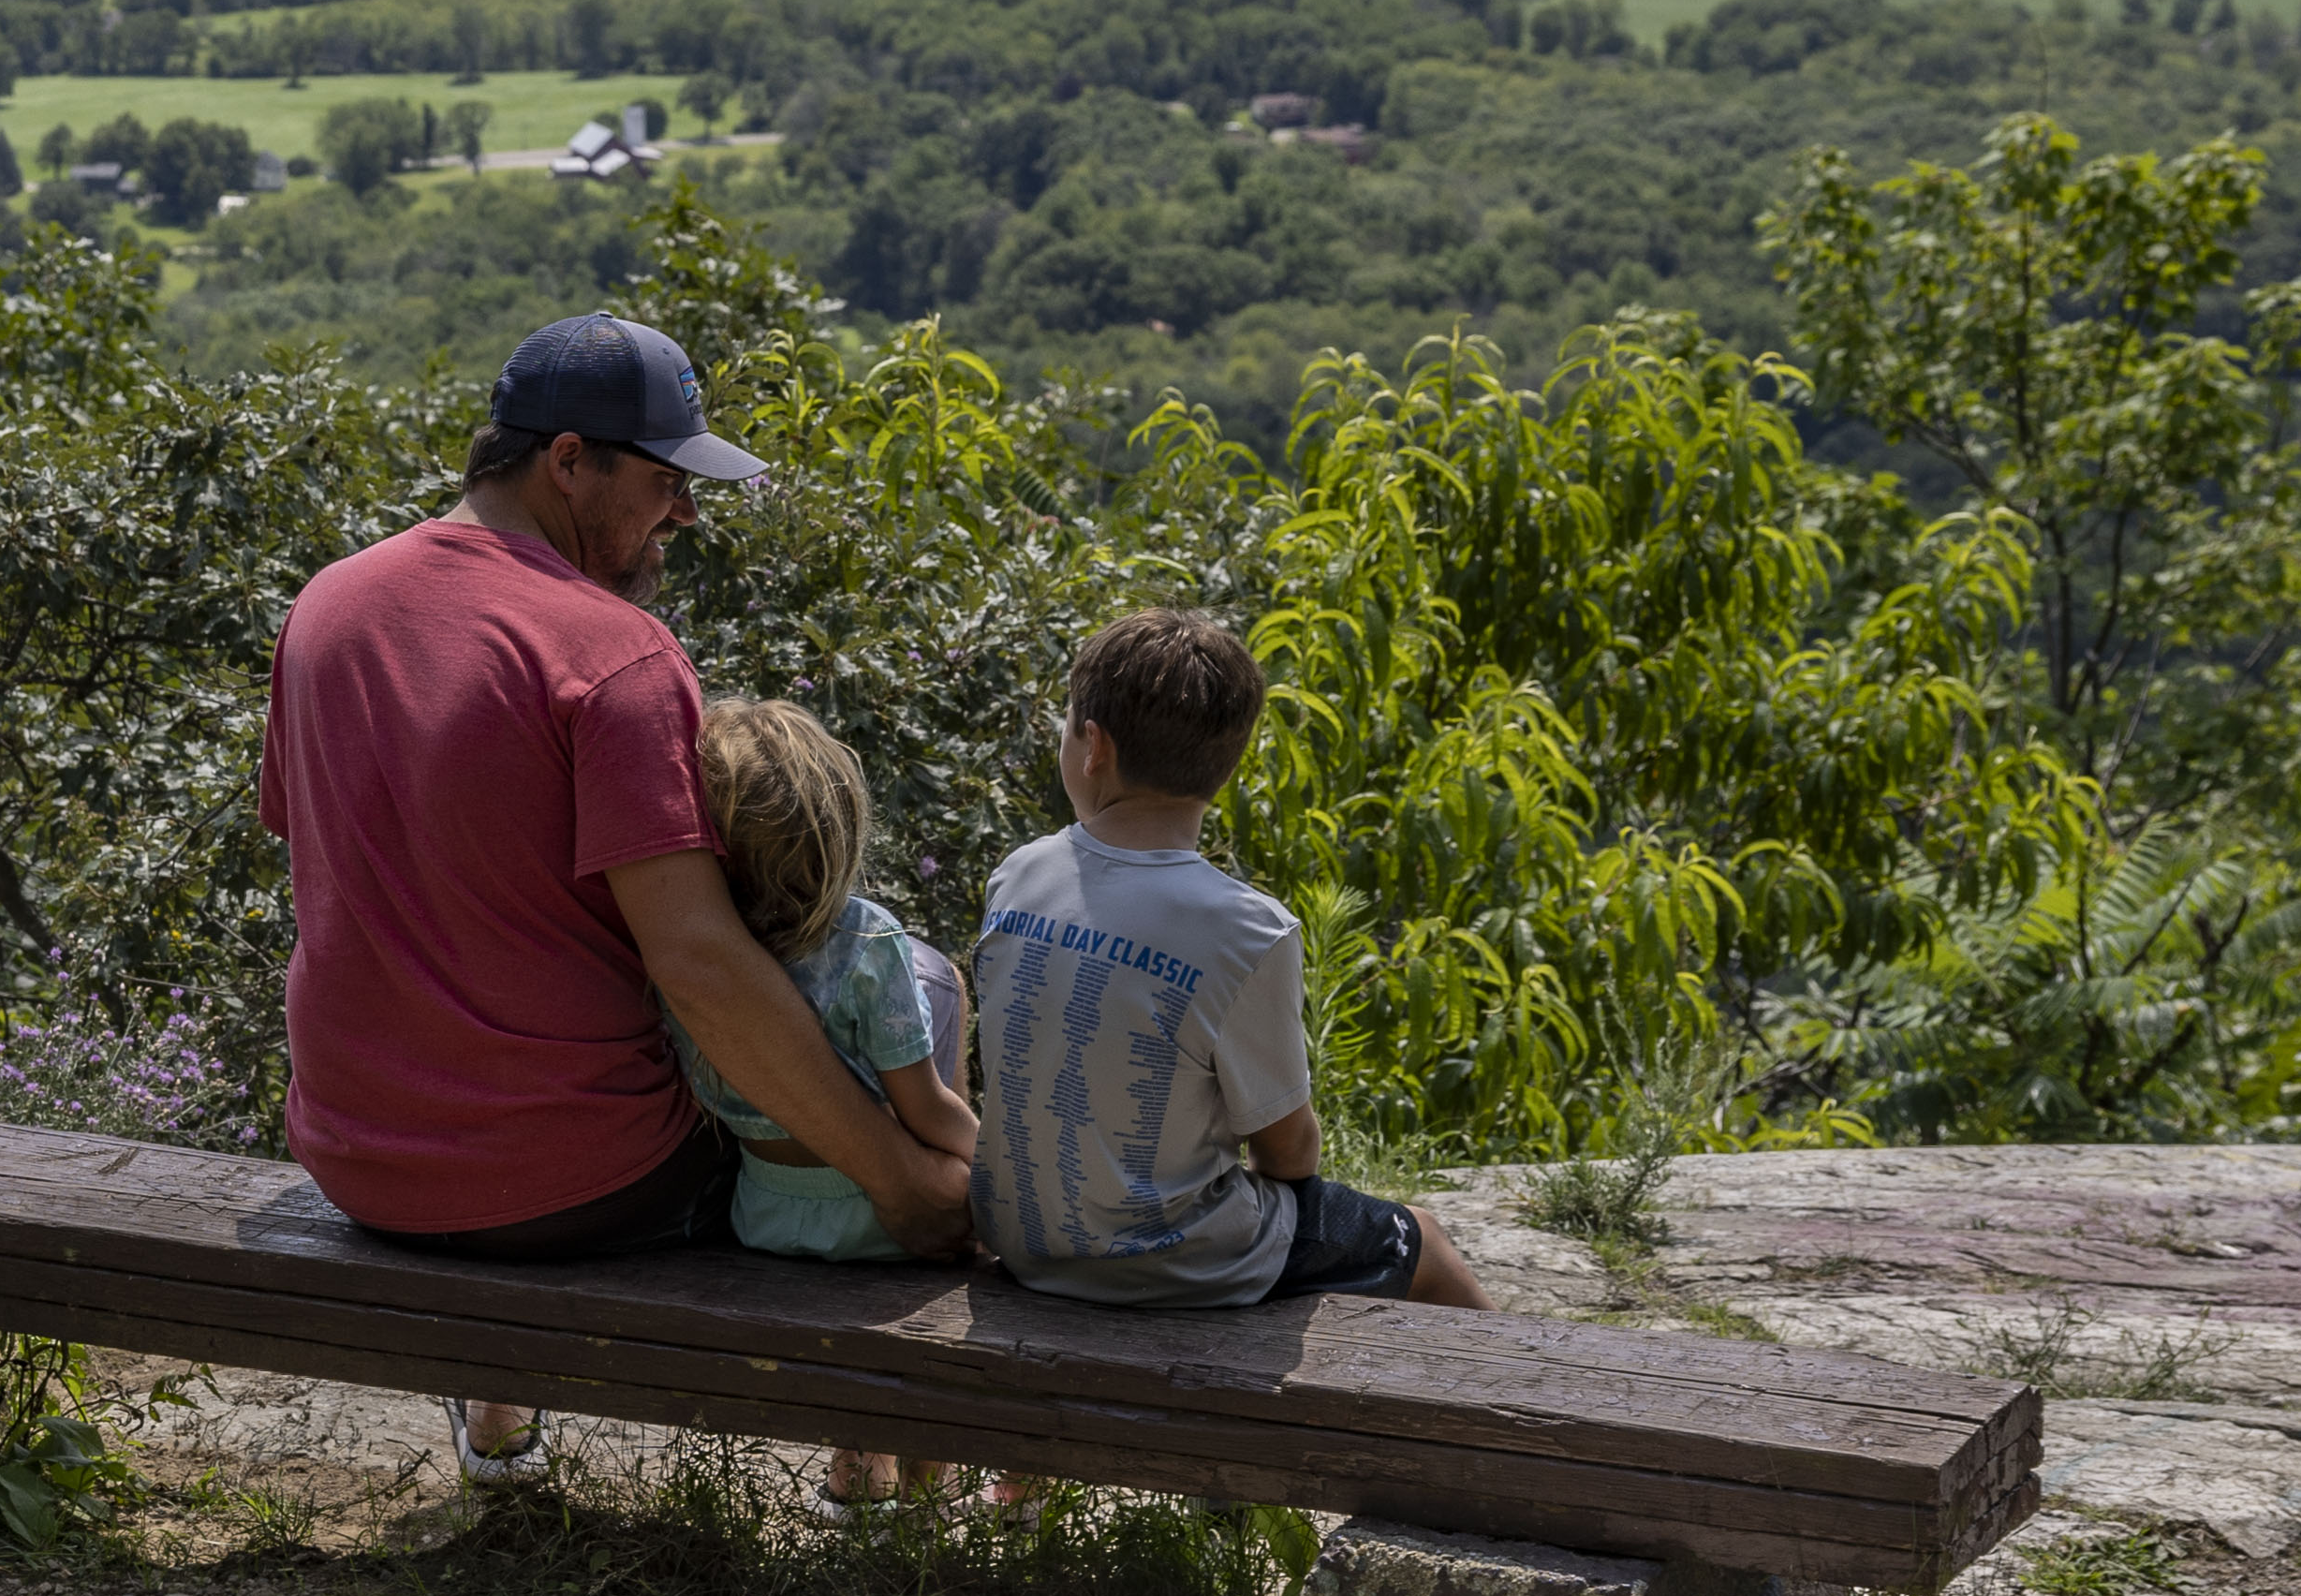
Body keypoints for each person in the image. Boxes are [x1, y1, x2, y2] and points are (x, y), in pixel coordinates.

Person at [259, 313, 975, 1486]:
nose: (685, 515)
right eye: (664, 480)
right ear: (568, 460)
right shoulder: (616, 652)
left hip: (360, 1163)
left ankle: (498, 1419)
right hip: (580, 1189)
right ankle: (875, 1459)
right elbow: (698, 963)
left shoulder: (325, 608)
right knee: (915, 975)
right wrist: (903, 1184)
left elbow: (342, 863)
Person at [967, 607, 1486, 1312]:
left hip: (1022, 1238)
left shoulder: (1018, 875)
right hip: (1176, 1263)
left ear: (1093, 747)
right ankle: (1535, 1397)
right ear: (1229, 761)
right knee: (1420, 1241)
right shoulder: (1247, 928)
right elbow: (1288, 1151)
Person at [667, 696, 983, 1511]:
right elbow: (928, 1113)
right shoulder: (867, 941)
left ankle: (864, 1468)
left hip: (765, 1219)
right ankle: (924, 1469)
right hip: (874, 1229)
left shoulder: (683, 947)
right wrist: (1004, 1175)